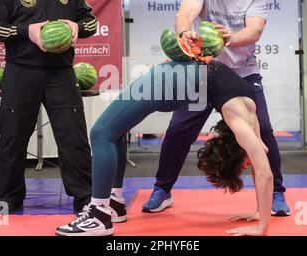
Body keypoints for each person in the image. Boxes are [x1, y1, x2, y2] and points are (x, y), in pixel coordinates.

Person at [142, 0, 290, 216]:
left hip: (243, 74)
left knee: (265, 131)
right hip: (205, 72)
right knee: (178, 130)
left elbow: (255, 31)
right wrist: (185, 32)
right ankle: (162, 190)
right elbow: (185, 13)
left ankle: (277, 193)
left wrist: (231, 38)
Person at [55, 60, 273, 236]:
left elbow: (260, 164)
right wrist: (262, 227)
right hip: (171, 80)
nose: (249, 164)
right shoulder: (241, 123)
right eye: (244, 165)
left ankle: (102, 212)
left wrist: (259, 213)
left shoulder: (248, 123)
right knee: (104, 133)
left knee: (106, 132)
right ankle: (105, 210)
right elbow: (265, 173)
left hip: (177, 77)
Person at [0, 0, 97, 213]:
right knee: (12, 139)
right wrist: (25, 31)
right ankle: (8, 198)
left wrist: (78, 28)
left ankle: (84, 197)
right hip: (21, 73)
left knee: (74, 138)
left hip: (61, 74)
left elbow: (90, 21)